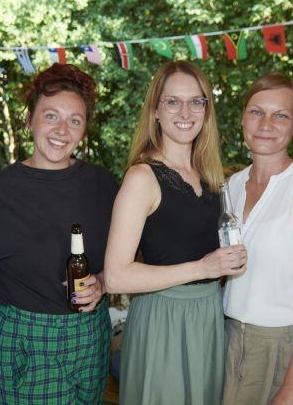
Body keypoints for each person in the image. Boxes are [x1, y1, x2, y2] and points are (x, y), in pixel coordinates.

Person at [104, 61, 248, 405]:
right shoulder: (142, 177)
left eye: (196, 101)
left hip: (208, 318)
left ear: (206, 110)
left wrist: (229, 266)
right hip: (163, 321)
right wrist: (204, 268)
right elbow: (116, 276)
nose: (185, 111)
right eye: (173, 102)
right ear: (156, 110)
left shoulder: (211, 178)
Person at [0, 63, 118, 404]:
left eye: (75, 120)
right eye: (50, 115)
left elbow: (124, 259)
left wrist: (101, 282)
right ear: (29, 120)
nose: (62, 129)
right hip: (22, 340)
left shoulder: (103, 184)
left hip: (89, 335)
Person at [222, 72, 293, 405]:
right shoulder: (231, 185)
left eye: (280, 115)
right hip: (232, 342)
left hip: (290, 349)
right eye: (257, 111)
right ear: (243, 117)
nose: (266, 123)